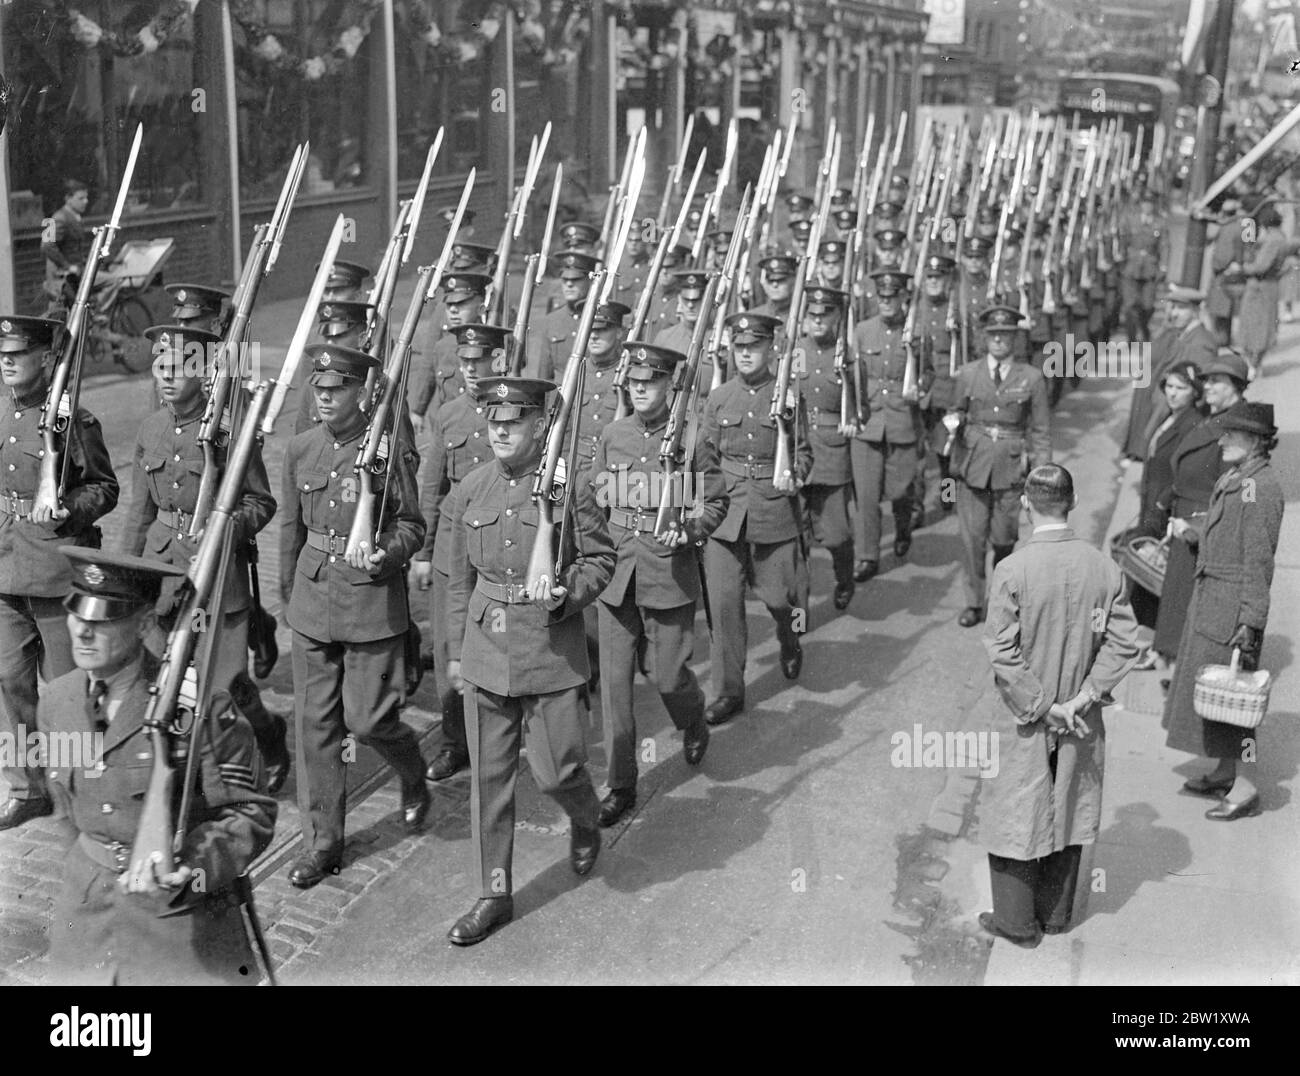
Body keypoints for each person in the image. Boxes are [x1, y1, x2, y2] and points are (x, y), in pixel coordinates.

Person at [44, 547, 277, 986]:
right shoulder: (57, 701)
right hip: (87, 915)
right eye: (77, 614)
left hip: (177, 922)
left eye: (103, 619)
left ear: (145, 624)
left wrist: (192, 867)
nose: (83, 632)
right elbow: (67, 813)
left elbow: (252, 813)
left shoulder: (201, 708)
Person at [443, 376, 615, 945]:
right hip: (487, 651)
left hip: (550, 649)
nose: (499, 430)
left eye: (512, 422)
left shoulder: (571, 491)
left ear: (541, 426)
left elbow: (602, 561)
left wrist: (567, 592)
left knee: (556, 770)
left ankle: (586, 816)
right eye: (493, 421)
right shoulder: (471, 488)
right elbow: (455, 581)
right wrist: (452, 655)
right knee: (489, 783)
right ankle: (494, 892)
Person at [279, 344, 430, 889]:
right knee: (316, 727)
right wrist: (285, 595)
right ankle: (322, 843)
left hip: (371, 602)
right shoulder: (300, 448)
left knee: (367, 721)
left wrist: (387, 552)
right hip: (313, 598)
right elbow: (291, 532)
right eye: (318, 389)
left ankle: (412, 768)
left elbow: (414, 525)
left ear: (361, 392)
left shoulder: (387, 453)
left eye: (335, 389)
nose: (323, 397)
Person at [120, 325, 289, 793]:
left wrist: (227, 527)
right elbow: (140, 511)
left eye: (178, 369)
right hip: (163, 570)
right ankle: (181, 779)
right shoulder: (150, 428)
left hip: (217, 575)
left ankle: (268, 734)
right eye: (160, 369)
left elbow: (261, 502)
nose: (167, 379)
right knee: (156, 677)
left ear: (204, 372)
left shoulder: (230, 432)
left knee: (225, 690)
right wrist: (127, 577)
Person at [979, 464, 1141, 947]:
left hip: (1025, 715)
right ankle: (1055, 915)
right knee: (1071, 803)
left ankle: (1016, 922)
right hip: (1082, 715)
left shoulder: (1012, 570)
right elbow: (1124, 643)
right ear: (1072, 503)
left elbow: (1003, 653)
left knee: (1016, 807)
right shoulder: (1103, 567)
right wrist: (1085, 697)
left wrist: (1044, 706)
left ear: (1026, 504)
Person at [591, 343, 727, 826]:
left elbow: (715, 503)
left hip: (668, 570)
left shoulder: (692, 440)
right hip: (616, 574)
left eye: (651, 381)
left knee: (667, 677)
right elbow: (594, 502)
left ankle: (692, 720)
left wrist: (690, 529)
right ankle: (620, 784)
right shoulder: (613, 436)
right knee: (615, 688)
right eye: (635, 381)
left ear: (670, 384)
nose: (641, 388)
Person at [0, 315, 119, 831]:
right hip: (4, 566)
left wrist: (67, 509)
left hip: (55, 567)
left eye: (17, 354)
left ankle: (87, 790)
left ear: (46, 359)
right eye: (2, 353)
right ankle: (28, 787)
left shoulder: (74, 421)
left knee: (71, 687)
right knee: (9, 680)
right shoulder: (1, 412)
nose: (6, 361)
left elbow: (105, 488)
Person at [1163, 403, 1284, 820]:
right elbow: (1231, 537)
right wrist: (1197, 536)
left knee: (1237, 700)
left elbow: (1258, 560)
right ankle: (1224, 770)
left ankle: (1246, 787)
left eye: (1231, 434)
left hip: (1232, 609)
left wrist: (1251, 621)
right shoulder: (1238, 477)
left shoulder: (1260, 486)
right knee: (1220, 697)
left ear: (1256, 440)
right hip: (1213, 599)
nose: (1222, 440)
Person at [698, 312, 812, 726]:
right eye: (739, 347)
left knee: (781, 598)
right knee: (725, 606)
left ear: (770, 350)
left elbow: (804, 454)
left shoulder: (788, 398)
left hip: (773, 508)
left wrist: (795, 474)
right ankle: (728, 691)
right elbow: (705, 458)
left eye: (754, 347)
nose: (745, 355)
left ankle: (789, 638)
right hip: (726, 513)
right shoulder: (718, 398)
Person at [414, 323, 512, 783]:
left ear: (500, 360)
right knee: (448, 647)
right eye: (465, 362)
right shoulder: (448, 415)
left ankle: (500, 734)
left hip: (501, 548)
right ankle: (455, 742)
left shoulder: (520, 411)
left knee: (499, 641)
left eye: (481, 361)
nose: (471, 371)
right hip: (453, 549)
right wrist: (422, 552)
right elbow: (431, 488)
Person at [944, 304, 1052, 628]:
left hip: (1011, 467)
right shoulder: (967, 373)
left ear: (1015, 339)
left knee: (1004, 540)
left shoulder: (1031, 378)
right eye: (994, 335)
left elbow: (1041, 429)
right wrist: (955, 421)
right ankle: (975, 602)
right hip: (973, 465)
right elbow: (955, 409)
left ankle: (1002, 599)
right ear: (985, 338)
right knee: (972, 541)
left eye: (1006, 335)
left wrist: (1042, 475)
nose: (999, 341)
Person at [1150, 350, 1248, 668]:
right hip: (1185, 515)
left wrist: (1195, 527)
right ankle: (1170, 656)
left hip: (1201, 525)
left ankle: (1179, 666)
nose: (1207, 387)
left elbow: (1231, 490)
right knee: (1177, 598)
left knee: (1188, 602)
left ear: (1235, 386)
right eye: (1206, 381)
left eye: (1215, 381)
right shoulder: (1214, 417)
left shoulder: (1238, 426)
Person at [850, 269, 931, 581]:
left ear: (902, 298)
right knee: (867, 496)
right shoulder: (861, 331)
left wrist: (920, 387)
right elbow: (852, 377)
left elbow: (929, 372)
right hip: (868, 422)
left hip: (902, 420)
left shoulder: (917, 333)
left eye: (891, 298)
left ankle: (902, 523)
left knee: (900, 488)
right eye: (881, 297)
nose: (885, 303)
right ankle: (867, 556)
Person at [1123, 362, 1206, 643]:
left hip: (1164, 507)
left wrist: (1162, 502)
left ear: (1195, 393)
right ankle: (1145, 637)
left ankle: (1150, 640)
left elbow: (1185, 471)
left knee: (1152, 571)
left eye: (1180, 388)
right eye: (1169, 386)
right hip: (1150, 502)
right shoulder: (1169, 417)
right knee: (1144, 568)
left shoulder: (1192, 423)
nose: (1172, 393)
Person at [797, 285, 859, 608]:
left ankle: (844, 576)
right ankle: (799, 608)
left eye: (825, 315)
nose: (818, 321)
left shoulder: (847, 355)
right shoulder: (795, 352)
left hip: (832, 452)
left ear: (836, 317)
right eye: (812, 315)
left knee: (836, 535)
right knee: (797, 539)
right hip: (795, 449)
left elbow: (862, 406)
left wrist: (852, 419)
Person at [1238, 202, 1299, 381]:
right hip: (1269, 286)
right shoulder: (1281, 238)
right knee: (1264, 325)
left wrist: (1242, 268)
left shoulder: (1273, 240)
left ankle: (1253, 365)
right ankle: (1256, 365)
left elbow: (1260, 266)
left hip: (1259, 287)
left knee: (1254, 325)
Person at [1119, 188, 1169, 344]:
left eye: (1150, 204)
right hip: (1131, 267)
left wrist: (1163, 266)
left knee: (1147, 306)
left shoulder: (1159, 223)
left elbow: (1165, 246)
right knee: (1129, 305)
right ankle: (1131, 337)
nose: (1147, 207)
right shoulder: (1130, 220)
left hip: (1149, 268)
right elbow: (1122, 242)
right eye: (1145, 203)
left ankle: (1143, 326)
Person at [41, 179, 90, 311]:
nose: (86, 201)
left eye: (86, 197)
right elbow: (46, 245)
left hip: (75, 275)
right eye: (81, 198)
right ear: (68, 198)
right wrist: (67, 266)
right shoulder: (58, 218)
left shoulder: (75, 217)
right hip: (62, 278)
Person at [1206, 197, 1247, 346]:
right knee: (1227, 312)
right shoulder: (1240, 227)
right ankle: (1225, 340)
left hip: (1223, 275)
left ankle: (1220, 342)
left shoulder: (1228, 228)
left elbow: (1222, 256)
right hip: (1234, 274)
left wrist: (1216, 267)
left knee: (1219, 311)